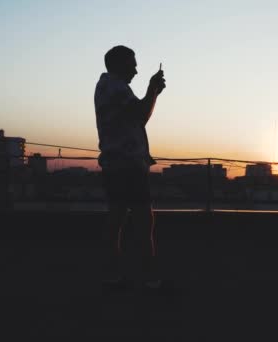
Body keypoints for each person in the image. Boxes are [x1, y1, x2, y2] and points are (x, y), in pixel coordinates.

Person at [94, 45, 166, 290]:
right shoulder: (116, 87)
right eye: (132, 64)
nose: (136, 70)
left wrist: (151, 91)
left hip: (115, 164)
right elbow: (141, 114)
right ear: (119, 65)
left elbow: (135, 115)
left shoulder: (106, 86)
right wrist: (153, 90)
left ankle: (110, 274)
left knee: (115, 220)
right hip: (128, 166)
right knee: (144, 221)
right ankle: (149, 278)